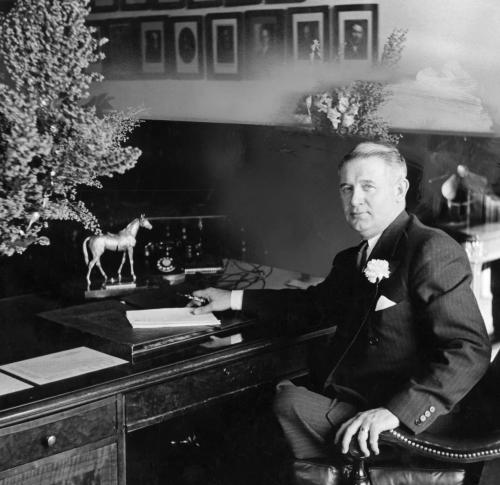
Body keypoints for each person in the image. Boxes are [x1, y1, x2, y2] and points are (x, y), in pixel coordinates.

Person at [190, 142, 491, 460]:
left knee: (280, 405)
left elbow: (469, 350)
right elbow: (312, 306)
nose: (355, 200)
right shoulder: (352, 259)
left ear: (399, 189)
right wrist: (234, 297)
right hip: (357, 399)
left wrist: (394, 413)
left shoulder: (430, 248)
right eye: (346, 188)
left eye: (367, 187)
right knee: (260, 408)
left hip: (407, 422)